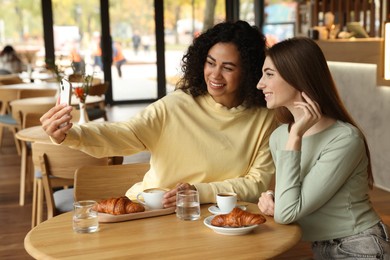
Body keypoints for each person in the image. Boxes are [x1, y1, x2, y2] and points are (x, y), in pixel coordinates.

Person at [40, 20, 276, 208]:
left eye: (228, 67)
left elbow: (256, 184)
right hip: (156, 211)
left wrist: (197, 192)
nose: (215, 75)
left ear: (250, 72)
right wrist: (70, 134)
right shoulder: (176, 106)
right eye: (210, 63)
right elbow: (124, 134)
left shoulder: (265, 119)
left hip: (221, 220)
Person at [256, 37, 390, 259]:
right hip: (321, 246)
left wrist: (296, 136)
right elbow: (292, 199)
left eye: (269, 74)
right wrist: (273, 197)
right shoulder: (280, 136)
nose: (260, 83)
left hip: (362, 245)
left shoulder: (345, 139)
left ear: (297, 77)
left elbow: (288, 213)